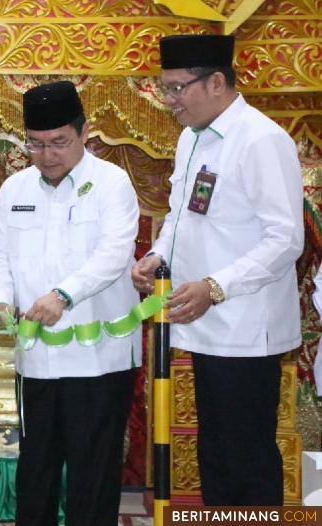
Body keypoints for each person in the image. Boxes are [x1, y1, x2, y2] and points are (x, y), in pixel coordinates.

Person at [131, 34, 304, 505]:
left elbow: (286, 239)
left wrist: (216, 286)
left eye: (176, 88)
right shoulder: (192, 138)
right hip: (206, 325)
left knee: (246, 462)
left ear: (216, 82)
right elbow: (180, 215)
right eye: (164, 88)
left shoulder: (262, 139)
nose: (169, 101)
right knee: (217, 457)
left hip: (247, 331)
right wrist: (157, 256)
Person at [0, 81, 141, 525]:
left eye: (59, 143)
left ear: (84, 133)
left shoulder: (112, 183)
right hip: (36, 360)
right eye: (35, 144)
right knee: (36, 470)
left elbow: (113, 255)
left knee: (93, 474)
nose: (47, 155)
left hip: (98, 360)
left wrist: (62, 295)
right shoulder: (15, 189)